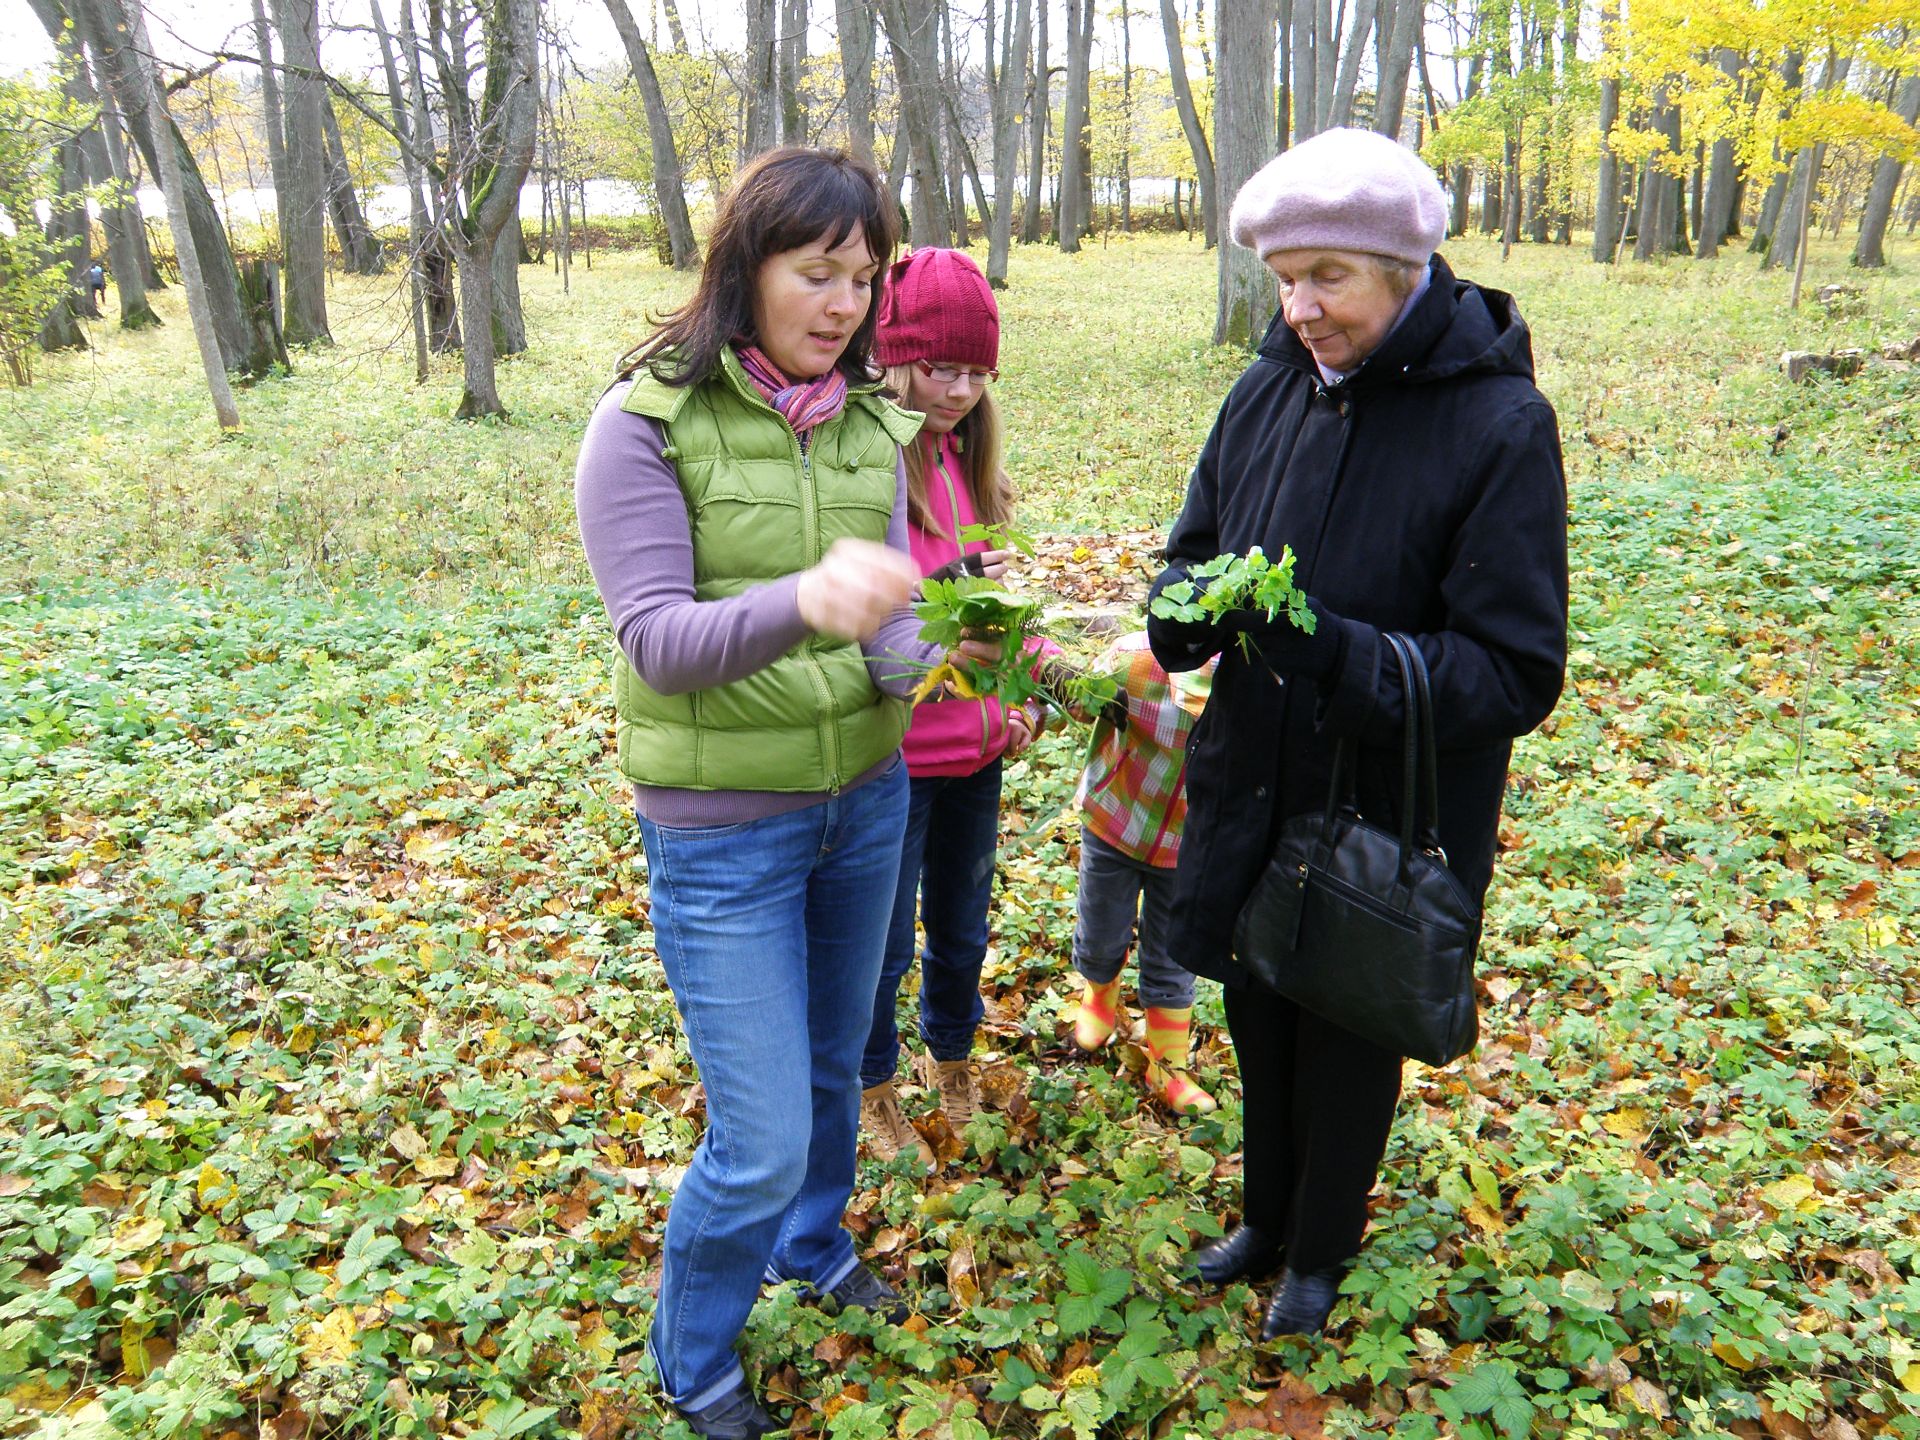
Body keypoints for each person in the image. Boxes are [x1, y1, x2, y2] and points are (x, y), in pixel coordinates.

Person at [1146, 128, 1569, 1340]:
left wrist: (1343, 654)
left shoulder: (1497, 423)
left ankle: (1322, 1250)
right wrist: (1182, 612)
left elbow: (1515, 670)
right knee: (1258, 1006)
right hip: (1255, 774)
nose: (1300, 309)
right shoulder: (1269, 388)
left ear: (1404, 267)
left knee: (1343, 1027)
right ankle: (1264, 1220)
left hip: (1382, 810)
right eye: (1286, 280)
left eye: (1326, 277)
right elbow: (1195, 546)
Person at [575, 148, 960, 1440]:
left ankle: (812, 1244)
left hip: (864, 808)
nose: (847, 304)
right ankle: (692, 1360)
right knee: (756, 1136)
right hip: (724, 837)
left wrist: (968, 661)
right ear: (745, 266)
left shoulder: (866, 423)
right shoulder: (642, 425)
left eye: (866, 276)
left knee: (834, 1068)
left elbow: (890, 640)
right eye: (819, 272)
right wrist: (807, 599)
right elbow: (657, 643)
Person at [857, 247, 1049, 1165]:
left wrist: (1031, 690)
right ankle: (871, 1082)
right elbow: (875, 621)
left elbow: (1002, 619)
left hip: (976, 755)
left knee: (963, 930)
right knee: (882, 942)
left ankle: (953, 1058)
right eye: (941, 368)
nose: (961, 390)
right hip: (897, 759)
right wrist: (953, 603)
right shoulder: (870, 469)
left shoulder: (976, 468)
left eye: (977, 372)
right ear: (896, 359)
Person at [1065, 631, 1218, 1116]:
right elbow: (1074, 699)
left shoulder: (1246, 679)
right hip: (1116, 821)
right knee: (1101, 930)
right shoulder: (1133, 658)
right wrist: (1043, 706)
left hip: (1187, 845)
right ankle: (1099, 995)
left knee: (1174, 952)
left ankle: (1168, 1065)